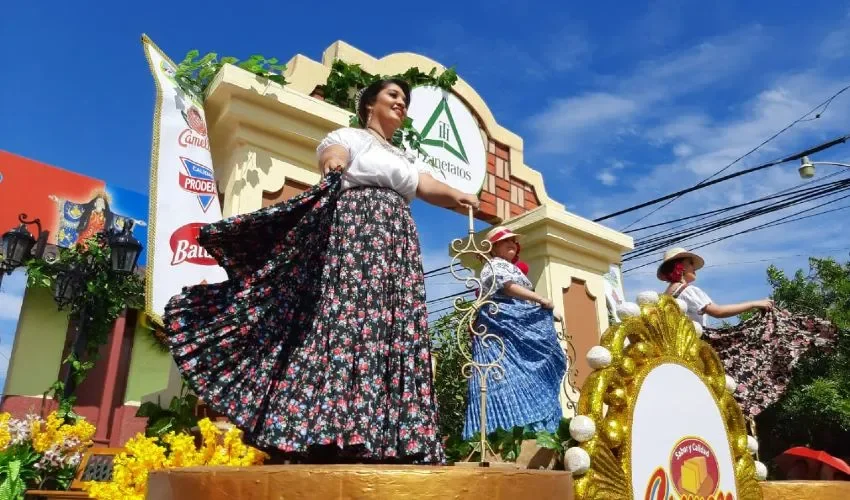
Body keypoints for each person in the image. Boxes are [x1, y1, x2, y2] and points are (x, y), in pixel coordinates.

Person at [163, 78, 479, 465]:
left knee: (392, 329)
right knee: (352, 324)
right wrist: (333, 163)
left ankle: (389, 437)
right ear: (369, 105)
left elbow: (426, 184)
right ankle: (336, 430)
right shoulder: (351, 136)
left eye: (405, 100)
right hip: (359, 235)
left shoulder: (403, 156)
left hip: (397, 244)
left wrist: (459, 195)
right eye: (393, 96)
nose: (402, 103)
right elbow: (333, 152)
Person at [463, 226, 567, 439]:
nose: (512, 244)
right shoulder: (494, 265)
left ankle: (535, 430)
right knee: (503, 379)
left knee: (528, 376)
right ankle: (504, 432)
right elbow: (508, 288)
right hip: (499, 332)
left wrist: (544, 311)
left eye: (513, 241)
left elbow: (517, 295)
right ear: (493, 247)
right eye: (505, 241)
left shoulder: (510, 267)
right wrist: (540, 300)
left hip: (513, 328)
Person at [657, 247, 773, 326]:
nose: (694, 268)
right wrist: (754, 304)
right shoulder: (688, 291)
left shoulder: (664, 297)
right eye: (691, 263)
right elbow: (718, 312)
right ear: (680, 266)